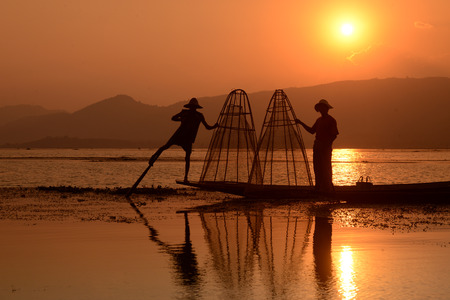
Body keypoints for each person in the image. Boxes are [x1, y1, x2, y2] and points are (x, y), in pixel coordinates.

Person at [148, 98, 218, 182]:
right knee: (165, 146)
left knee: (187, 157)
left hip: (188, 138)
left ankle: (186, 177)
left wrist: (215, 126)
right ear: (189, 107)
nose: (192, 108)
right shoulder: (184, 113)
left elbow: (207, 127)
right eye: (191, 107)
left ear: (196, 107)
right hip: (179, 134)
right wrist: (181, 119)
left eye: (194, 107)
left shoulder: (199, 116)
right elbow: (173, 118)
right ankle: (153, 157)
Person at [295, 99, 338, 192]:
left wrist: (326, 145)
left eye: (323, 107)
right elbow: (311, 131)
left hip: (325, 148)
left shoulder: (331, 120)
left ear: (326, 109)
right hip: (317, 147)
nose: (321, 110)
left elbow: (334, 135)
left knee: (326, 168)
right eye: (320, 108)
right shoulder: (319, 120)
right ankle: (318, 188)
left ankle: (328, 188)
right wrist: (300, 123)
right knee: (317, 168)